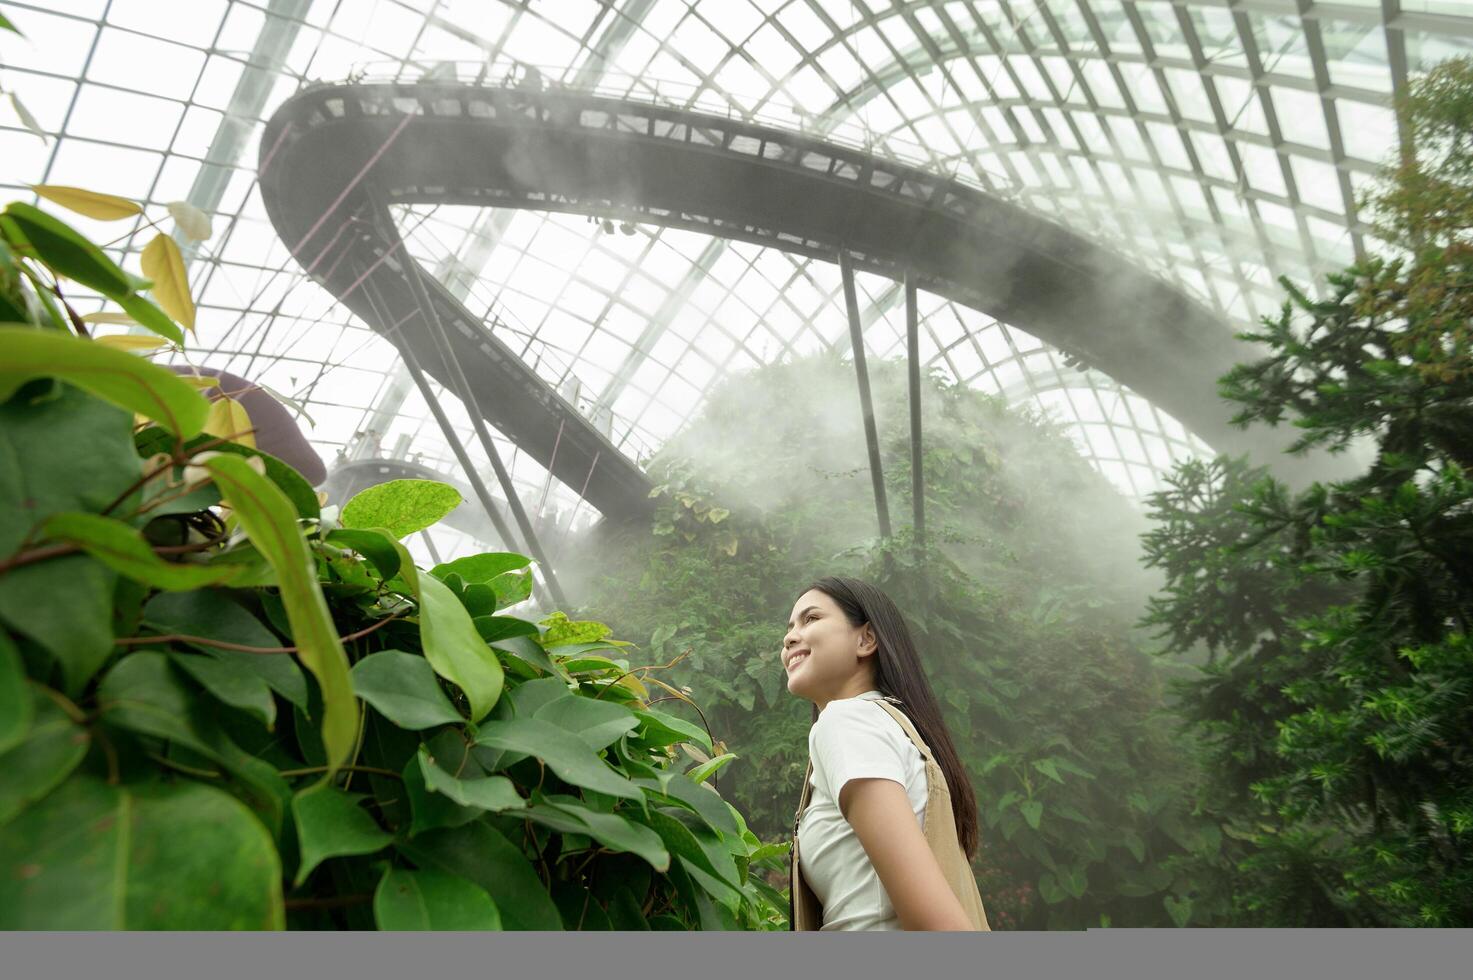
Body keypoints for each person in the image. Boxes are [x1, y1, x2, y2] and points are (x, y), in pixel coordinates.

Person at [783, 576, 990, 931]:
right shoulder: (892, 727)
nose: (789, 638)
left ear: (866, 639)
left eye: (811, 619)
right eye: (789, 627)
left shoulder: (848, 721)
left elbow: (932, 918)